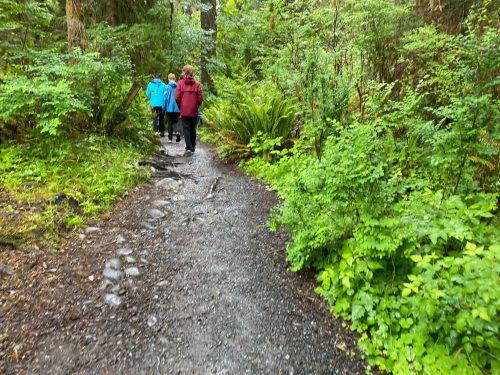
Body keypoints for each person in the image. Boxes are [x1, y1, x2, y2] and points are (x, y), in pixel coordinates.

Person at [175, 65, 203, 155]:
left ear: (184, 72)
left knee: (186, 128)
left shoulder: (180, 83)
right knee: (192, 128)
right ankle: (193, 146)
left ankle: (189, 148)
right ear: (192, 72)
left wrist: (181, 107)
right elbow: (200, 99)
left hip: (184, 110)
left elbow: (176, 97)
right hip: (194, 110)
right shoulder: (197, 84)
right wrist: (196, 106)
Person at [164, 73, 181, 143]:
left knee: (170, 122)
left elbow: (165, 98)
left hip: (169, 108)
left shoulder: (167, 87)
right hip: (177, 108)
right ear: (174, 79)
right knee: (176, 122)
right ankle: (177, 132)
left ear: (168, 79)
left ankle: (170, 138)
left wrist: (164, 107)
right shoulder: (178, 87)